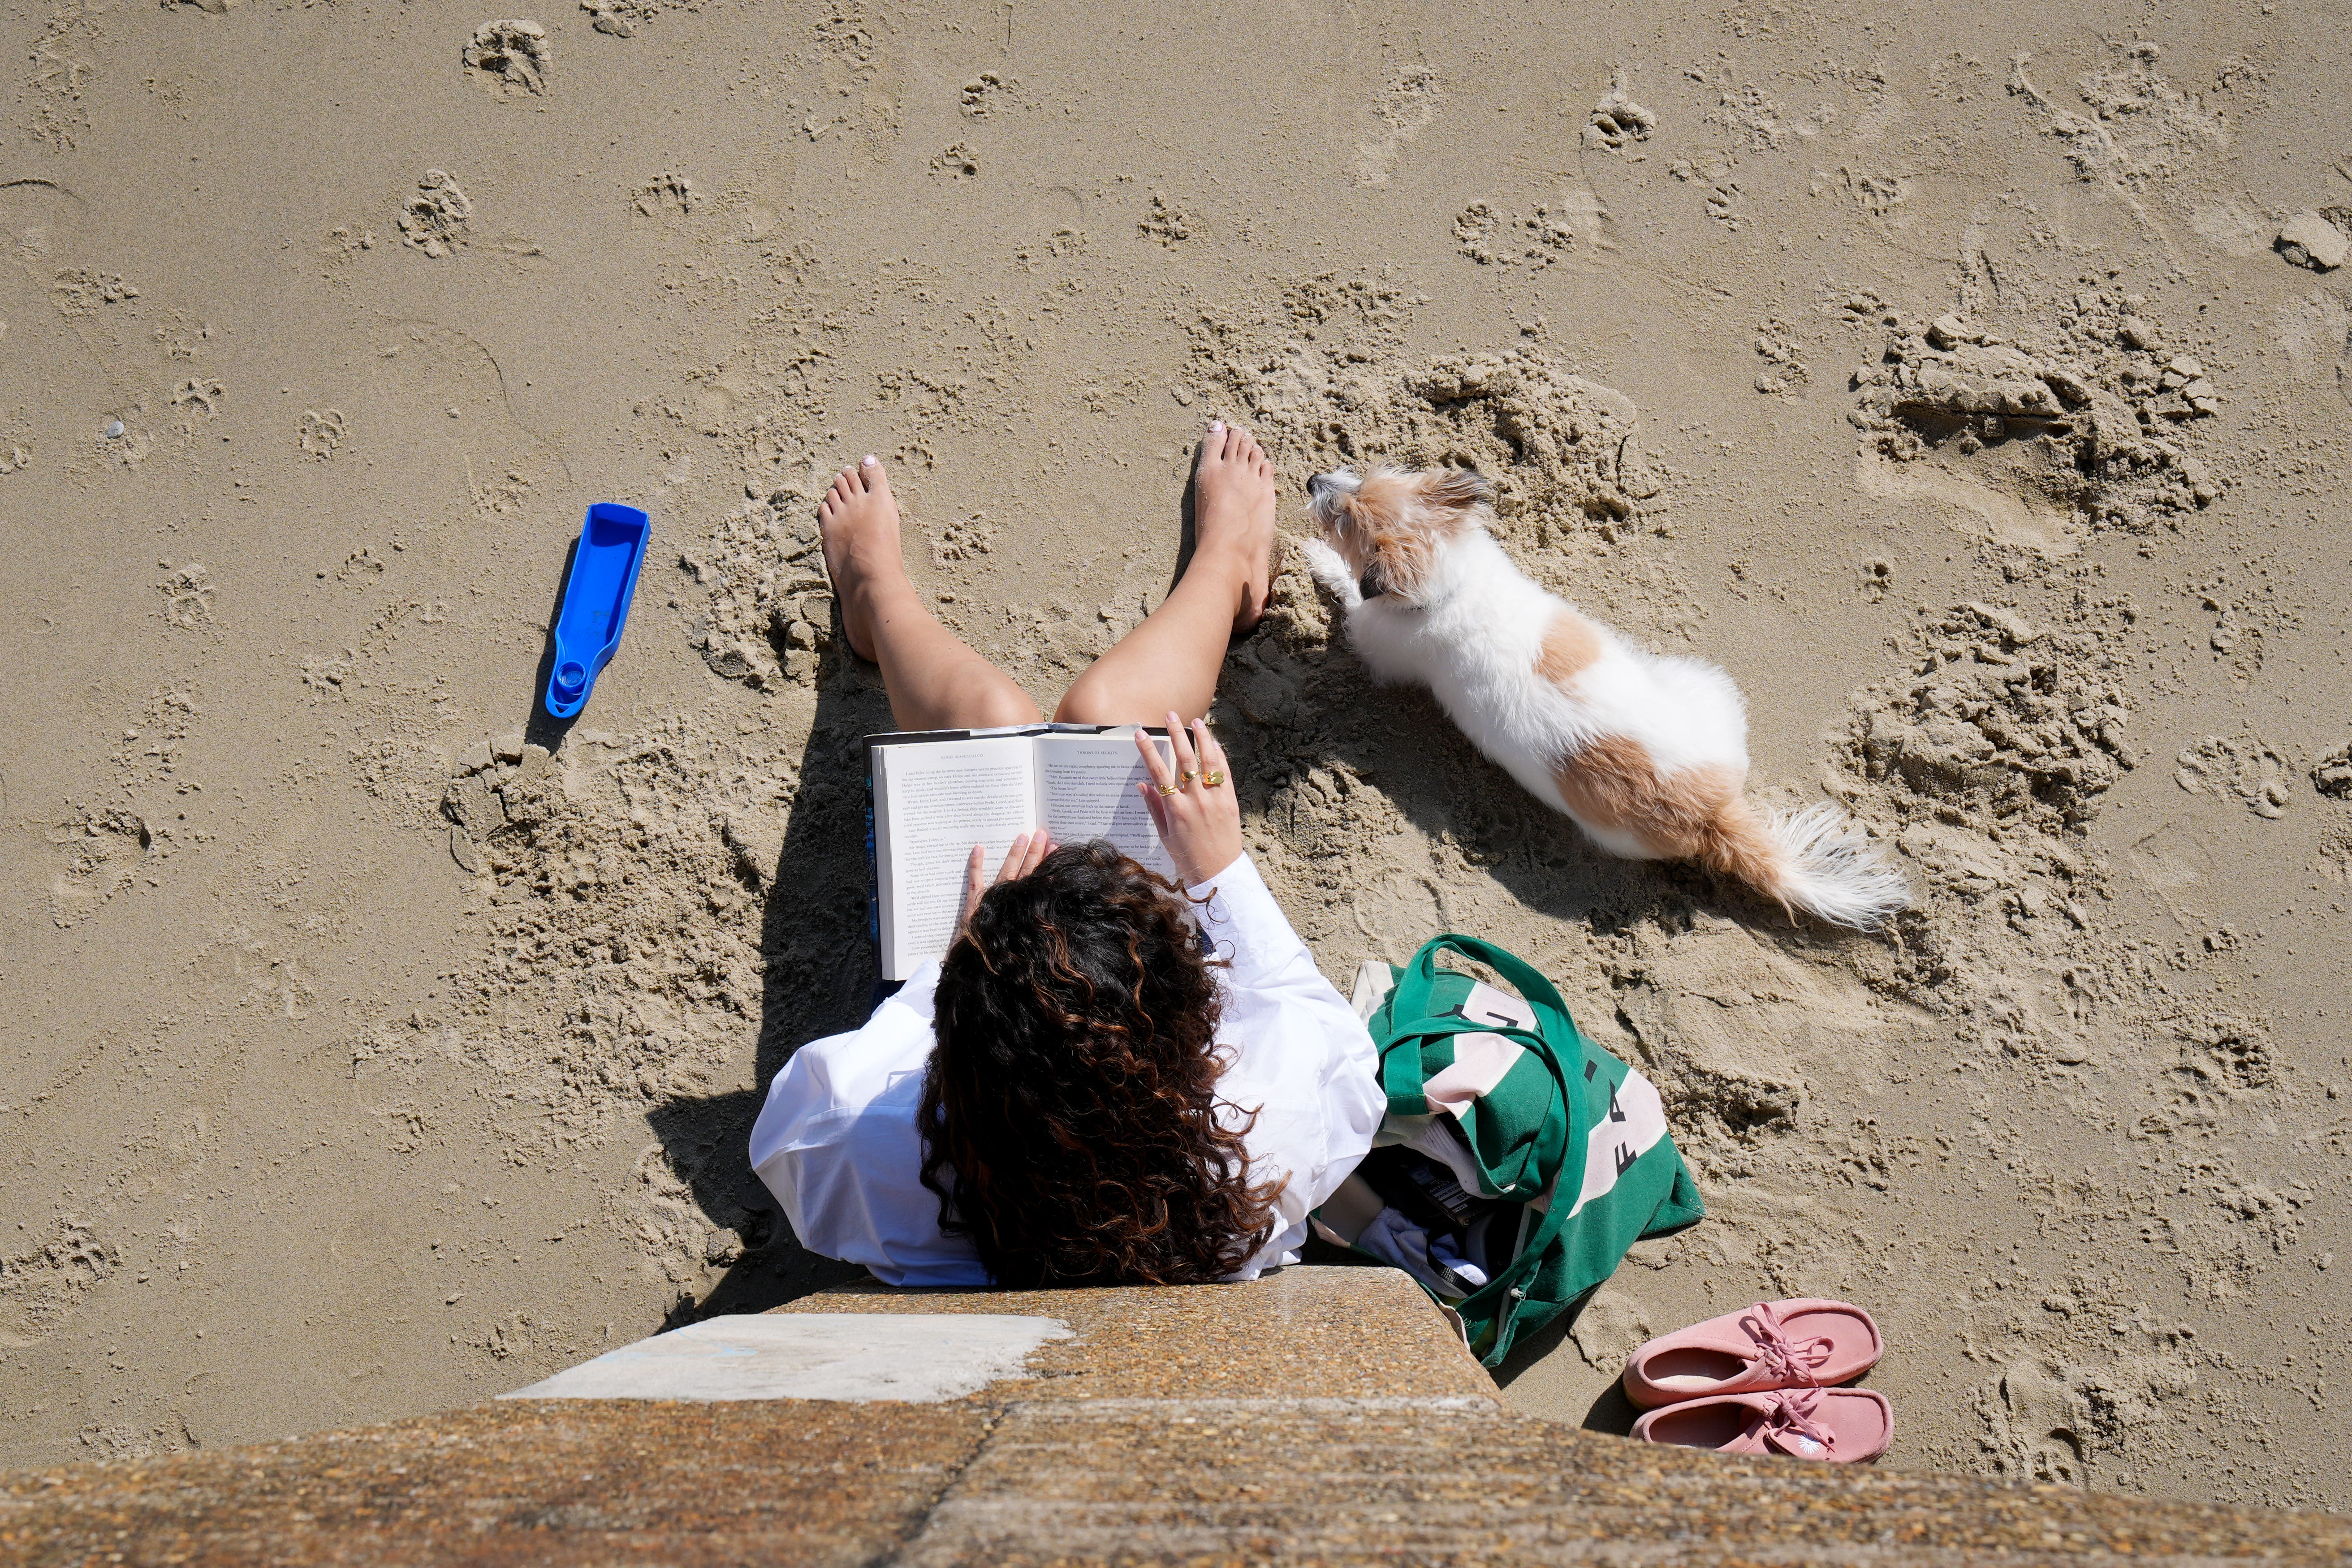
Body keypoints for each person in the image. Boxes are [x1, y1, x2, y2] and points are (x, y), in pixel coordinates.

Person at [749, 422, 1385, 1288]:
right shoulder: (1261, 1136)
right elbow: (1338, 1047)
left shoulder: (869, 1143)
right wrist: (1218, 869)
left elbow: (784, 1136)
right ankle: (1229, 568)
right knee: (1107, 710)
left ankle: (874, 598)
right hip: (1064, 1045)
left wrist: (955, 959)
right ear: (1197, 1029)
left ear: (958, 1052)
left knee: (990, 716)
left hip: (984, 1041)